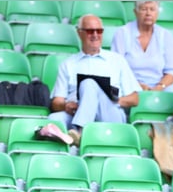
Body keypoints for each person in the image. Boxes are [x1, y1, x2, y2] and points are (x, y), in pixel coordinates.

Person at [48, 14, 141, 145]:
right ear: (80, 33)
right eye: (90, 31)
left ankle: (80, 131)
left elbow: (135, 99)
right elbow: (56, 102)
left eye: (99, 31)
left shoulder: (117, 60)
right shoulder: (68, 64)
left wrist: (111, 99)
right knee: (53, 118)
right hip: (76, 110)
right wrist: (66, 105)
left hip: (109, 112)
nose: (95, 35)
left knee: (89, 83)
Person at [110, 1, 173, 93]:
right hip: (129, 84)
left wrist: (159, 87)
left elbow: (172, 71)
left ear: (157, 13)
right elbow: (116, 68)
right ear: (135, 12)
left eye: (152, 9)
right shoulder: (122, 33)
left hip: (161, 85)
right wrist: (137, 85)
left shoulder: (165, 35)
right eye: (144, 9)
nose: (148, 13)